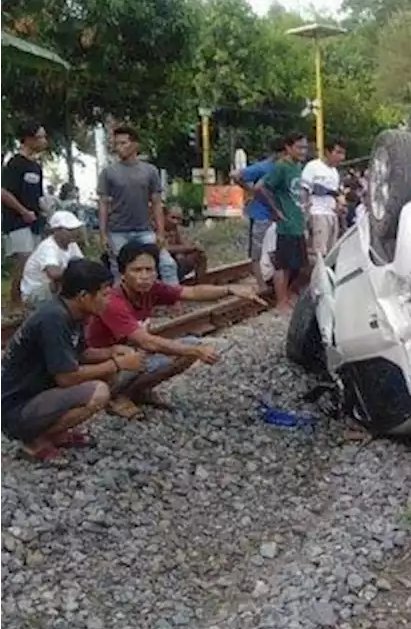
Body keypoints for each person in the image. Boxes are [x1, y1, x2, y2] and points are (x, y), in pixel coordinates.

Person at [85, 242, 264, 418]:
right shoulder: (113, 302)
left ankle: (136, 392)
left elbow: (191, 293)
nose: (144, 276)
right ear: (123, 273)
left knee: (188, 347)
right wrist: (196, 351)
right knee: (181, 350)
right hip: (102, 365)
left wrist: (229, 289)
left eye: (149, 270)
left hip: (129, 356)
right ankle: (116, 397)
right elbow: (147, 341)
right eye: (136, 270)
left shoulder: (152, 289)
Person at [0, 259, 133, 461]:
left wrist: (112, 352)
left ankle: (56, 434)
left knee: (107, 373)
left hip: (36, 395)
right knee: (99, 391)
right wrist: (116, 364)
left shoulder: (72, 313)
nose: (108, 301)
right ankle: (35, 442)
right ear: (83, 296)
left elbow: (80, 354)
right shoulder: (54, 319)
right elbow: (66, 377)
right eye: (104, 295)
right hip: (15, 407)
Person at [97, 125, 178, 285]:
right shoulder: (108, 172)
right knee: (120, 271)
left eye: (123, 143)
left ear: (135, 145)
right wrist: (103, 233)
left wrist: (160, 232)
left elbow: (156, 203)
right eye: (117, 144)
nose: (119, 148)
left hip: (144, 230)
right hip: (117, 231)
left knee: (166, 264)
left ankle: (174, 301)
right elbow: (103, 204)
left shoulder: (150, 171)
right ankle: (122, 306)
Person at [255, 131, 309, 313]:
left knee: (298, 265)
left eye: (305, 148)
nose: (303, 151)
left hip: (297, 221)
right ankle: (281, 301)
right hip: (286, 223)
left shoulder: (297, 166)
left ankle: (287, 296)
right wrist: (275, 210)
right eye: (299, 147)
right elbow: (261, 188)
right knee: (283, 264)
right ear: (288, 147)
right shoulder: (281, 167)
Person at [1, 120, 48, 306]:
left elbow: (38, 195)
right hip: (17, 222)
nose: (45, 141)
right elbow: (3, 192)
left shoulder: (36, 166)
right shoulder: (15, 163)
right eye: (41, 137)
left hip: (35, 222)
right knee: (23, 261)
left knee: (34, 263)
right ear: (29, 139)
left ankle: (30, 300)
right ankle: (15, 302)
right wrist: (23, 211)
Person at [233, 138, 282, 289]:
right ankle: (262, 284)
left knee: (275, 250)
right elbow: (236, 175)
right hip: (261, 214)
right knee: (258, 251)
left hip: (277, 216)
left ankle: (271, 281)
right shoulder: (263, 167)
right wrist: (250, 190)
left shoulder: (284, 167)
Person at [20, 210, 86, 306]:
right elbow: (53, 273)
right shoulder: (48, 247)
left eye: (74, 229)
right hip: (35, 293)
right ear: (56, 230)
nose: (74, 233)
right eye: (69, 230)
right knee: (59, 281)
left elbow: (82, 263)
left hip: (48, 291)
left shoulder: (71, 244)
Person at [301, 140, 347, 262]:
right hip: (317, 212)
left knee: (331, 252)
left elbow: (337, 192)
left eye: (343, 154)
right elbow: (306, 189)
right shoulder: (313, 167)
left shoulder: (334, 172)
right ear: (327, 152)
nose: (341, 157)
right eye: (338, 152)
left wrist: (339, 205)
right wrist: (305, 214)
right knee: (319, 252)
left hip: (332, 213)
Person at [163, 206, 207, 282]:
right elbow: (164, 248)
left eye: (179, 219)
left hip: (177, 261)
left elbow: (185, 244)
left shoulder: (177, 229)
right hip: (163, 263)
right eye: (173, 218)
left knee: (200, 255)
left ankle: (199, 284)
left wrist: (194, 247)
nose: (175, 222)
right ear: (164, 217)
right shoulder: (158, 229)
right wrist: (187, 248)